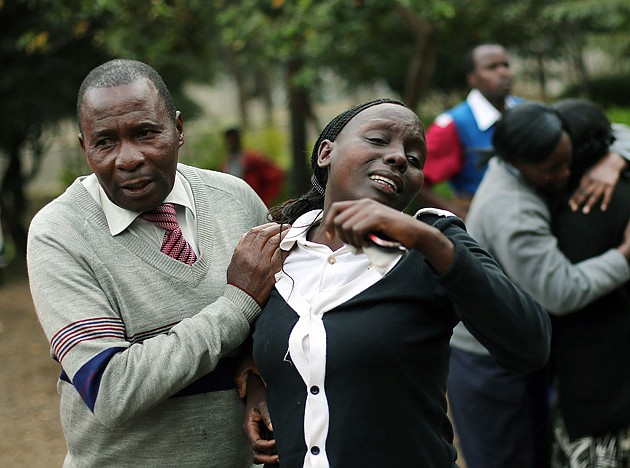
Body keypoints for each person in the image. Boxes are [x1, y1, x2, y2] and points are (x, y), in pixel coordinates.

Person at [246, 98, 551, 468]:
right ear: (326, 153)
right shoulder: (275, 252)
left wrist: (431, 242)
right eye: (377, 139)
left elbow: (529, 345)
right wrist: (257, 382)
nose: (398, 157)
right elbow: (256, 342)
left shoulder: (427, 247)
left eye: (415, 157)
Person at [26, 59, 287, 467]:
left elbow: (280, 326)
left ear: (179, 130)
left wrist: (257, 374)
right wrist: (236, 304)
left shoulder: (236, 200)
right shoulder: (60, 233)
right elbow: (111, 389)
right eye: (105, 142)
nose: (128, 158)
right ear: (84, 147)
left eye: (146, 133)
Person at [448, 102, 630, 468]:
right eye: (554, 168)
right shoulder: (514, 212)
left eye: (568, 159)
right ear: (520, 163)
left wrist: (613, 160)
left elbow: (615, 131)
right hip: (490, 360)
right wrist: (625, 254)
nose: (568, 172)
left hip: (522, 341)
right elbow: (561, 291)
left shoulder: (536, 143)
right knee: (507, 459)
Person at [548, 98, 630, 466]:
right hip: (627, 339)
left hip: (599, 353)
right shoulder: (625, 177)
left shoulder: (588, 203)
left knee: (608, 442)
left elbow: (564, 286)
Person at [419, 43, 521, 218]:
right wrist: (460, 217)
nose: (503, 72)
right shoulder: (453, 125)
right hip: (486, 220)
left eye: (505, 65)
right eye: (492, 67)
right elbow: (416, 180)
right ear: (472, 79)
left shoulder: (527, 111)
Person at [221, 127, 285, 206]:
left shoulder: (252, 158)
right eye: (228, 141)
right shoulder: (227, 163)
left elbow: (276, 173)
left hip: (253, 201)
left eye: (232, 140)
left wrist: (266, 197)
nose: (230, 143)